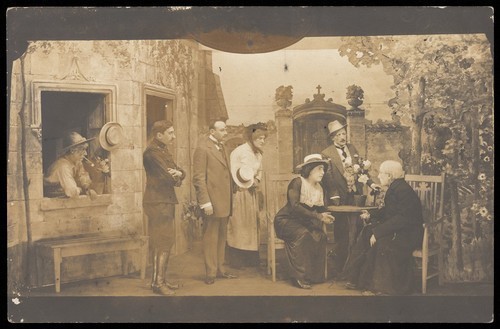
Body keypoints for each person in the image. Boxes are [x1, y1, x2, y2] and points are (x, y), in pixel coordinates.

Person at [342, 160, 424, 295]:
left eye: (381, 173)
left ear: (390, 176)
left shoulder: (402, 190)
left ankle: (380, 287)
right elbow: (390, 211)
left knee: (382, 243)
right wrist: (371, 214)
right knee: (367, 232)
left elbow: (403, 218)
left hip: (409, 234)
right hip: (400, 230)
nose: (379, 176)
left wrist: (378, 232)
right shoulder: (396, 187)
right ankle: (356, 278)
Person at [321, 120, 378, 277]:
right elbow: (328, 177)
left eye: (344, 133)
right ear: (332, 137)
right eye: (338, 134)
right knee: (342, 231)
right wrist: (334, 194)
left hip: (355, 195)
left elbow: (361, 169)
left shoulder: (352, 148)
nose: (342, 137)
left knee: (358, 227)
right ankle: (341, 268)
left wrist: (371, 184)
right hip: (339, 196)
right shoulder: (327, 153)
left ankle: (355, 267)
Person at [274, 154, 335, 289]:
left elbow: (320, 209)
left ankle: (313, 276)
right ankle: (298, 277)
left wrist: (325, 216)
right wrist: (318, 217)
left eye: (323, 169)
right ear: (310, 169)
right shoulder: (297, 182)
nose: (323, 173)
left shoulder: (319, 188)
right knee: (304, 235)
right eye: (319, 169)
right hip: (286, 221)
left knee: (320, 236)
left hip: (303, 222)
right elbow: (294, 206)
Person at [193, 119, 238, 285]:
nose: (225, 133)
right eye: (222, 130)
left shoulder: (223, 147)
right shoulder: (202, 149)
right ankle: (210, 272)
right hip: (212, 202)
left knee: (221, 236)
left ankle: (220, 269)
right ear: (212, 132)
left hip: (225, 200)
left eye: (225, 130)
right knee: (211, 237)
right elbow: (198, 178)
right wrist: (205, 203)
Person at [143, 120, 185, 295]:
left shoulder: (162, 150)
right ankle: (158, 283)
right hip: (158, 202)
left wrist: (179, 174)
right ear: (159, 135)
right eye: (170, 133)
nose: (174, 137)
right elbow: (166, 176)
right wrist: (177, 176)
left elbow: (179, 170)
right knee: (163, 240)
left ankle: (159, 281)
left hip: (164, 201)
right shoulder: (151, 154)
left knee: (164, 240)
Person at [226, 123, 267, 269]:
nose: (262, 141)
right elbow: (233, 171)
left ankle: (251, 259)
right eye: (259, 138)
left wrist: (256, 180)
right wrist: (246, 182)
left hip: (252, 193)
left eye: (264, 138)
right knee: (239, 225)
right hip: (239, 193)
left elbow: (260, 170)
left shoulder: (258, 153)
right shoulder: (238, 152)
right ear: (251, 137)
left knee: (251, 224)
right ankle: (237, 260)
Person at [44, 131, 97, 199]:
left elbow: (83, 176)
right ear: (72, 150)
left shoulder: (77, 162)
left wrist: (87, 188)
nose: (86, 154)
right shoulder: (63, 166)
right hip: (53, 201)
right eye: (82, 149)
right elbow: (72, 192)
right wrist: (81, 190)